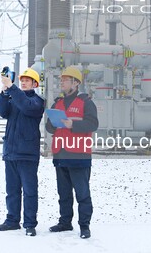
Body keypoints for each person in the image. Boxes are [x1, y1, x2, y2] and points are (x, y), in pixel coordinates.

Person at [45, 66, 99, 239]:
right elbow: (48, 127)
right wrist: (53, 123)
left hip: (78, 156)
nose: (61, 82)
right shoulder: (58, 103)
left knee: (82, 194)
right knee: (64, 193)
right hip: (61, 155)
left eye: (65, 80)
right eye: (61, 79)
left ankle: (84, 226)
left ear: (75, 83)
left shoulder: (86, 102)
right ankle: (65, 222)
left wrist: (72, 125)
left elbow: (93, 124)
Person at [0, 67, 44, 237]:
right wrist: (4, 92)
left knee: (30, 192)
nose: (23, 82)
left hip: (28, 155)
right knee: (12, 191)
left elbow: (26, 106)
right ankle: (12, 220)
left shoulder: (37, 102)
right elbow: (0, 110)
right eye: (21, 80)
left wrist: (13, 89)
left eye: (27, 80)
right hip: (11, 152)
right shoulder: (14, 98)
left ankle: (29, 224)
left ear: (34, 84)